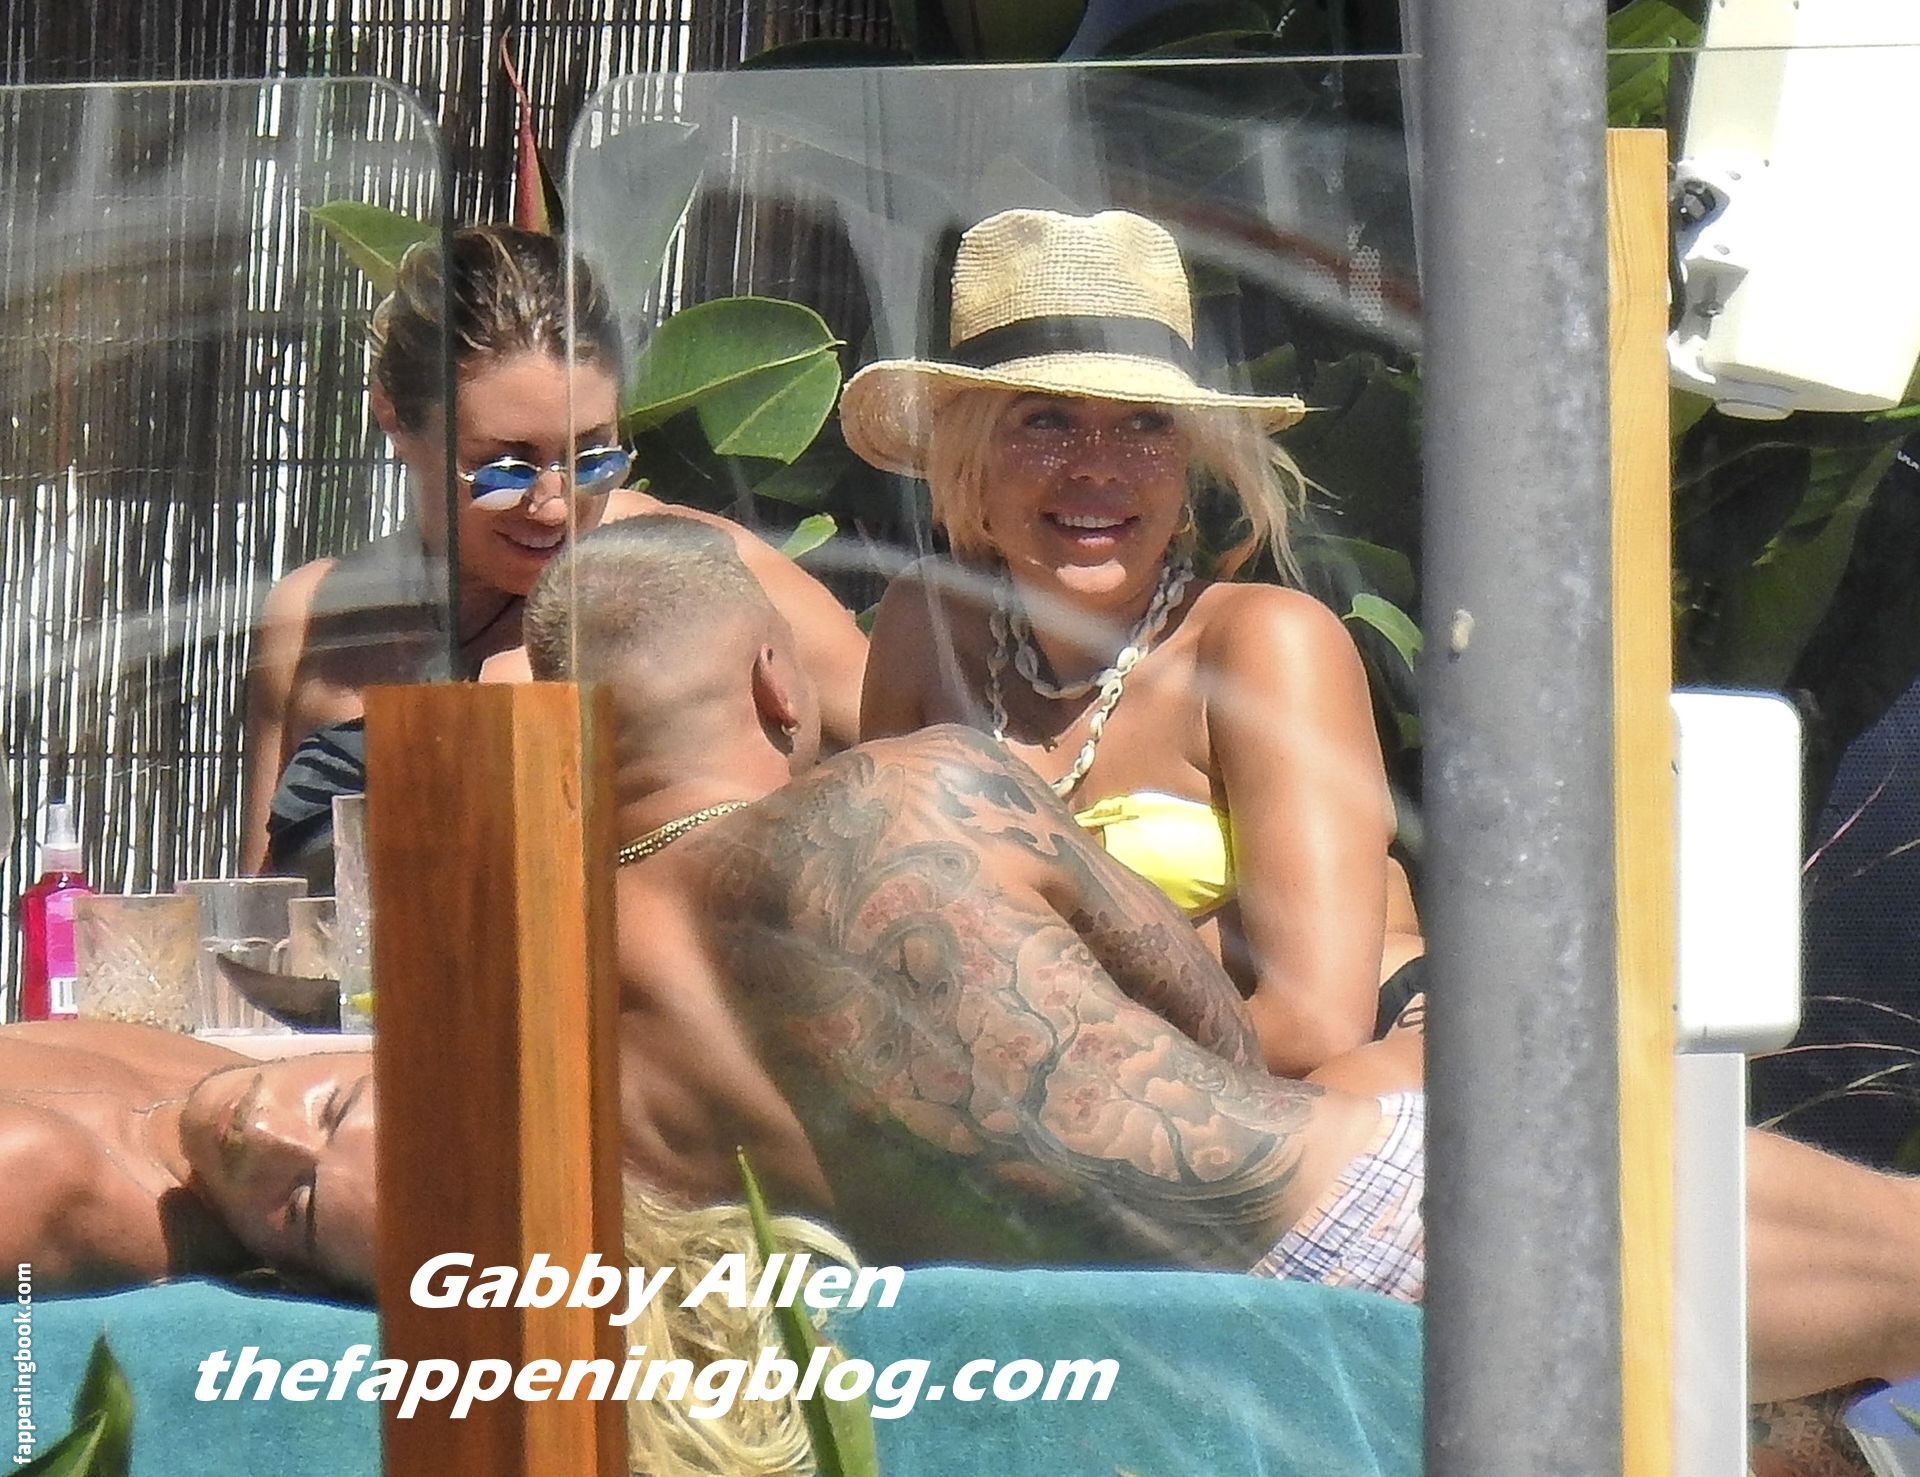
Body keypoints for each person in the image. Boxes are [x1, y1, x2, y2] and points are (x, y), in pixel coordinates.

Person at [520, 514, 1920, 1402]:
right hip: (1338, 1228)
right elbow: (1225, 1041)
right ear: (776, 679)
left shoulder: (554, 996)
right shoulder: (921, 788)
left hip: (1082, 1367)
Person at [847, 207, 1415, 1077]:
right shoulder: (926, 627)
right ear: (971, 458)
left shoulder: (1266, 645)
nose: (1098, 463)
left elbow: (1313, 1026)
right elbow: (878, 948)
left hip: (1304, 1105)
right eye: (1045, 420)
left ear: (1188, 461)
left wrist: (1035, 1084)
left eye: (1145, 422)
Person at [240, 224, 869, 876]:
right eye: (505, 466)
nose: (554, 506)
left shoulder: (701, 576)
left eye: (592, 457)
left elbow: (922, 761)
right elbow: (259, 909)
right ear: (394, 416)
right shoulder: (312, 617)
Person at [0, 1020, 373, 1291]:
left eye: (298, 1204)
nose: (263, 1131)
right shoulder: (218, 1082)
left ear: (299, 1278)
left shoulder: (40, 1175)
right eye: (331, 1108)